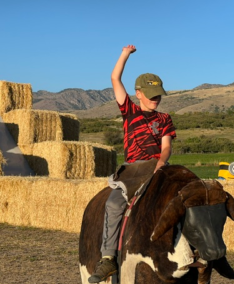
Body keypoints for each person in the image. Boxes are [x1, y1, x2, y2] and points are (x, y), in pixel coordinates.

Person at [88, 45, 177, 283]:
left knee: (189, 196)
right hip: (133, 169)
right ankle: (107, 259)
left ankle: (201, 252)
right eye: (151, 95)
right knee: (114, 205)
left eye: (159, 95)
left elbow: (166, 146)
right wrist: (124, 55)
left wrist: (161, 161)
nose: (156, 99)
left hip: (158, 166)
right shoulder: (129, 111)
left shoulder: (165, 118)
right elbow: (114, 78)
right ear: (138, 93)